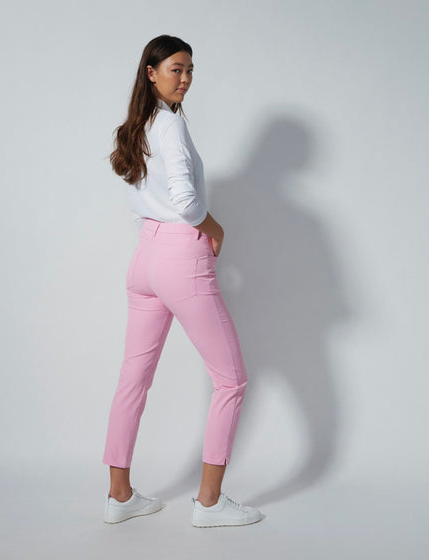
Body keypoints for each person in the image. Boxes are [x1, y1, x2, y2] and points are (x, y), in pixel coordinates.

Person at [102, 34, 264, 528]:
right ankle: (210, 504)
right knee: (231, 380)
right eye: (177, 69)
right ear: (151, 72)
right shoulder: (169, 124)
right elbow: (187, 202)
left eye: (191, 70)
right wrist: (214, 229)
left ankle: (119, 496)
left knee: (132, 379)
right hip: (180, 256)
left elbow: (141, 201)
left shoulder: (137, 125)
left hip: (145, 258)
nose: (186, 79)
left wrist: (159, 241)